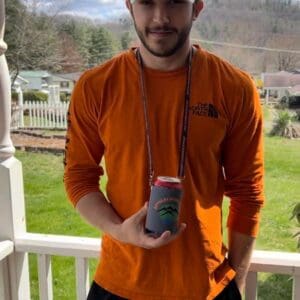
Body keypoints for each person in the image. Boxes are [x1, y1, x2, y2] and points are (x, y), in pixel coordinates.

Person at [63, 0, 265, 299]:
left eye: (174, 2)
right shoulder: (96, 87)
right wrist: (119, 230)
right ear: (130, 5)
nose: (160, 17)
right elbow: (79, 177)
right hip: (118, 286)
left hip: (206, 289)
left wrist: (235, 281)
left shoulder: (234, 88)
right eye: (147, 2)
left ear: (196, 6)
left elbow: (248, 192)